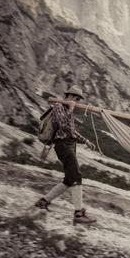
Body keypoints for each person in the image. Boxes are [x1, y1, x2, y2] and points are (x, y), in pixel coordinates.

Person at [34, 85, 97, 225]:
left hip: (70, 144)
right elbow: (64, 126)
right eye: (76, 98)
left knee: (69, 179)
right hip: (62, 145)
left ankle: (43, 202)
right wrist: (71, 108)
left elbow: (72, 132)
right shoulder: (58, 107)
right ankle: (78, 213)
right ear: (69, 96)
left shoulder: (66, 108)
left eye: (79, 99)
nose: (78, 101)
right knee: (77, 176)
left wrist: (85, 141)